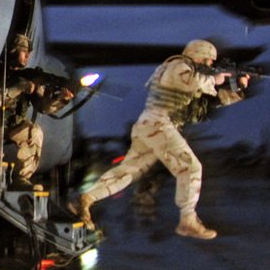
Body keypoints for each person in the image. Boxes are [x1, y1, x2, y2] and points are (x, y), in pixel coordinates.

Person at [78, 39, 248, 239]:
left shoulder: (190, 73)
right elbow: (194, 82)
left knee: (129, 172)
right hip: (158, 124)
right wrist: (216, 79)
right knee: (190, 167)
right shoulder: (177, 66)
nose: (210, 66)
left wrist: (238, 88)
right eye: (210, 61)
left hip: (151, 127)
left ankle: (88, 197)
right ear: (200, 56)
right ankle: (188, 220)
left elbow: (206, 104)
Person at [0, 33, 74, 187]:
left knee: (35, 132)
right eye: (24, 51)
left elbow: (44, 108)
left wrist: (60, 99)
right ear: (14, 51)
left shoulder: (29, 77)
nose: (27, 56)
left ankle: (22, 178)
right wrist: (20, 87)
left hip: (13, 126)